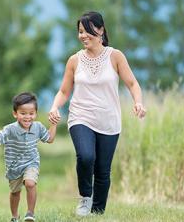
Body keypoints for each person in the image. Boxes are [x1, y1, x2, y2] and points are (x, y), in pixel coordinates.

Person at [48, 11, 147, 216]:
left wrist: (138, 102)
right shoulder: (74, 60)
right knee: (85, 157)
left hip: (109, 120)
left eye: (87, 31)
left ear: (101, 30)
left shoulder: (115, 56)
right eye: (80, 32)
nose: (83, 35)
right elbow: (64, 91)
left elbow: (132, 83)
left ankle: (97, 212)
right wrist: (55, 107)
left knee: (102, 170)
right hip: (80, 116)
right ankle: (85, 198)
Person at [0, 92, 56, 222]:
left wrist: (53, 124)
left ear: (35, 113)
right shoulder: (10, 129)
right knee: (15, 192)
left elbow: (50, 139)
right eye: (23, 113)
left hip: (31, 163)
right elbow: (0, 136)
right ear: (15, 114)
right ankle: (14, 216)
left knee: (30, 183)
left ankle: (30, 213)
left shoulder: (38, 127)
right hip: (13, 167)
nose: (27, 117)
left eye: (31, 113)